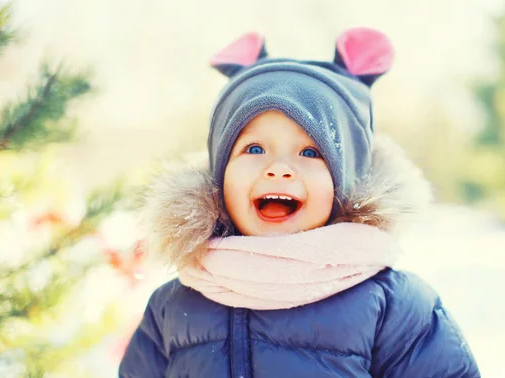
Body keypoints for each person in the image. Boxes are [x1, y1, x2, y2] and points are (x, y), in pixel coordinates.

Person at [119, 27, 480, 378]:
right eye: (254, 148)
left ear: (345, 183)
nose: (279, 169)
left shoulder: (395, 307)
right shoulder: (175, 305)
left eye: (310, 152)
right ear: (220, 174)